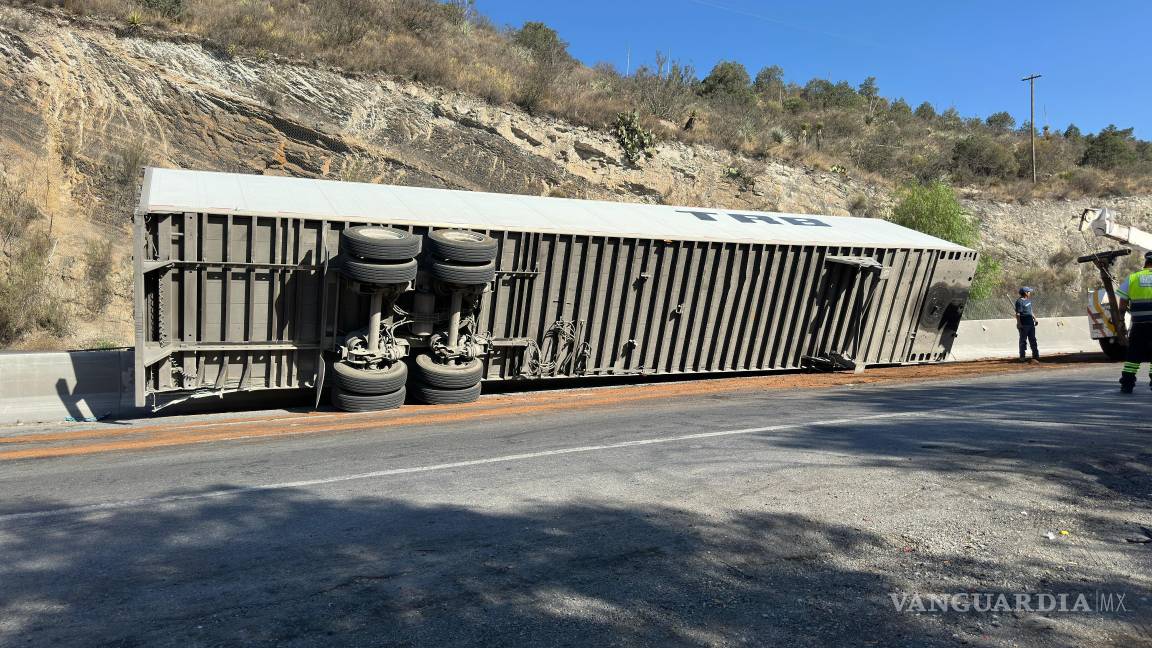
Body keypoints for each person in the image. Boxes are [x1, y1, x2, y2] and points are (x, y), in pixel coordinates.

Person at [1117, 251, 1152, 393]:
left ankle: (1127, 384)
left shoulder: (1132, 278)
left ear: (1145, 263)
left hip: (1139, 325)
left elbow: (1123, 301)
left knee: (1133, 355)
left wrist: (1120, 320)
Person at [1014, 287, 1039, 363]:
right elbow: (1018, 314)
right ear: (1025, 293)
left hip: (1031, 324)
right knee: (1023, 341)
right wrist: (1019, 323)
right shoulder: (1019, 302)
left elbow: (1030, 311)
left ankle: (1035, 355)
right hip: (1024, 325)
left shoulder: (1028, 301)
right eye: (1028, 292)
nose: (1030, 293)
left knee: (1033, 340)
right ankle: (1022, 356)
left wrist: (1035, 318)